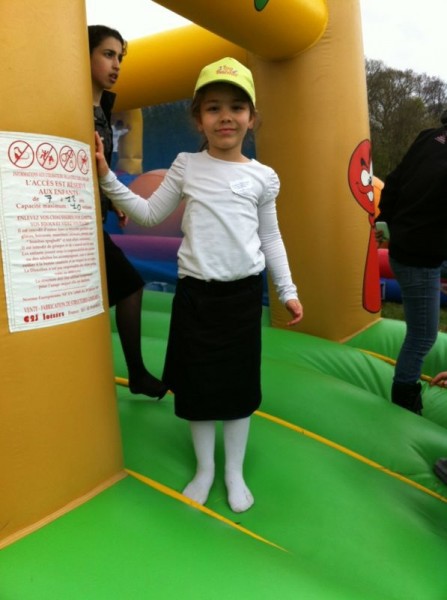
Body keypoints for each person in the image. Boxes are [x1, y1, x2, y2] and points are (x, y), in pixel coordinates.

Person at [94, 57, 303, 512]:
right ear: (198, 118)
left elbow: (270, 237)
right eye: (213, 108)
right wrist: (107, 177)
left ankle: (233, 471)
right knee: (198, 386)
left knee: (238, 388)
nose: (225, 117)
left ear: (251, 117)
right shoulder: (187, 165)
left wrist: (287, 290)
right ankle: (206, 467)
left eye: (236, 107)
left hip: (241, 296)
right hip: (196, 296)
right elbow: (149, 213)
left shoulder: (262, 177)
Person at [88, 25, 167, 400]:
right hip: (72, 225)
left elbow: (95, 166)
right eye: (108, 54)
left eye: (120, 56)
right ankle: (135, 373)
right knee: (129, 285)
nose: (117, 64)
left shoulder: (101, 109)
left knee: (124, 287)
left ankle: (134, 373)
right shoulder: (73, 105)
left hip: (91, 221)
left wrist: (113, 200)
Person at [375, 110, 447, 415]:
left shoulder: (429, 138)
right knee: (423, 335)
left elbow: (394, 181)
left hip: (411, 247)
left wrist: (385, 221)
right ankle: (405, 399)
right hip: (418, 257)